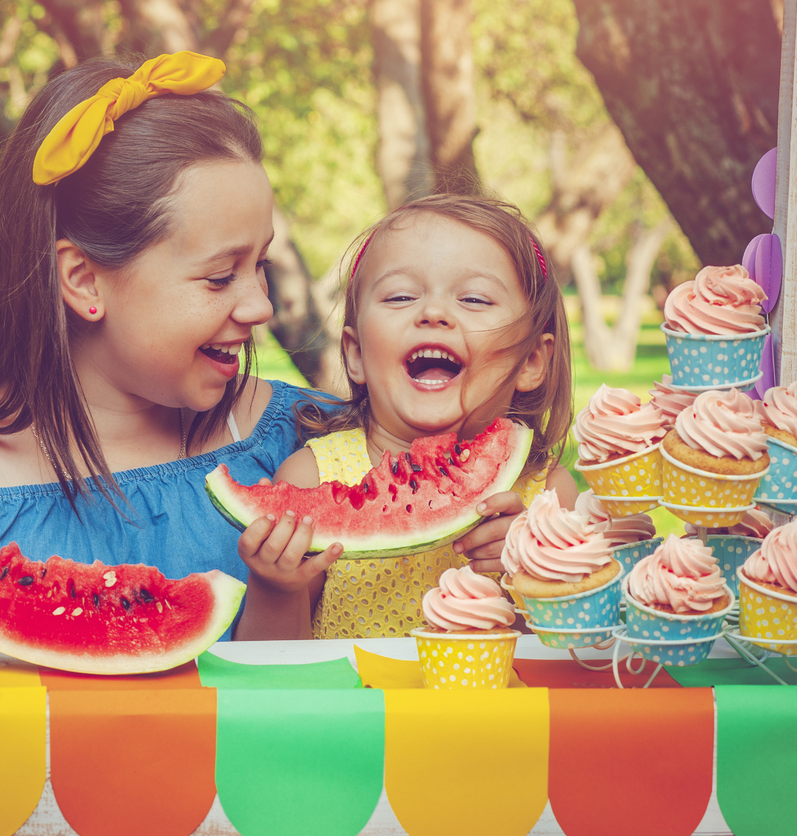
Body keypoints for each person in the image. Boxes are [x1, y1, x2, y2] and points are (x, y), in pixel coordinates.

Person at [0, 52, 316, 646]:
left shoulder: (302, 445)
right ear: (85, 280)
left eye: (260, 265)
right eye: (220, 277)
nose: (260, 306)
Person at [234, 194, 578, 640]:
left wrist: (534, 574)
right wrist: (275, 588)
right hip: (359, 711)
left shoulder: (547, 494)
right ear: (355, 355)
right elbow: (276, 680)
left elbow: (577, 664)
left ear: (532, 360)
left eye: (474, 299)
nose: (433, 313)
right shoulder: (311, 477)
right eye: (400, 296)